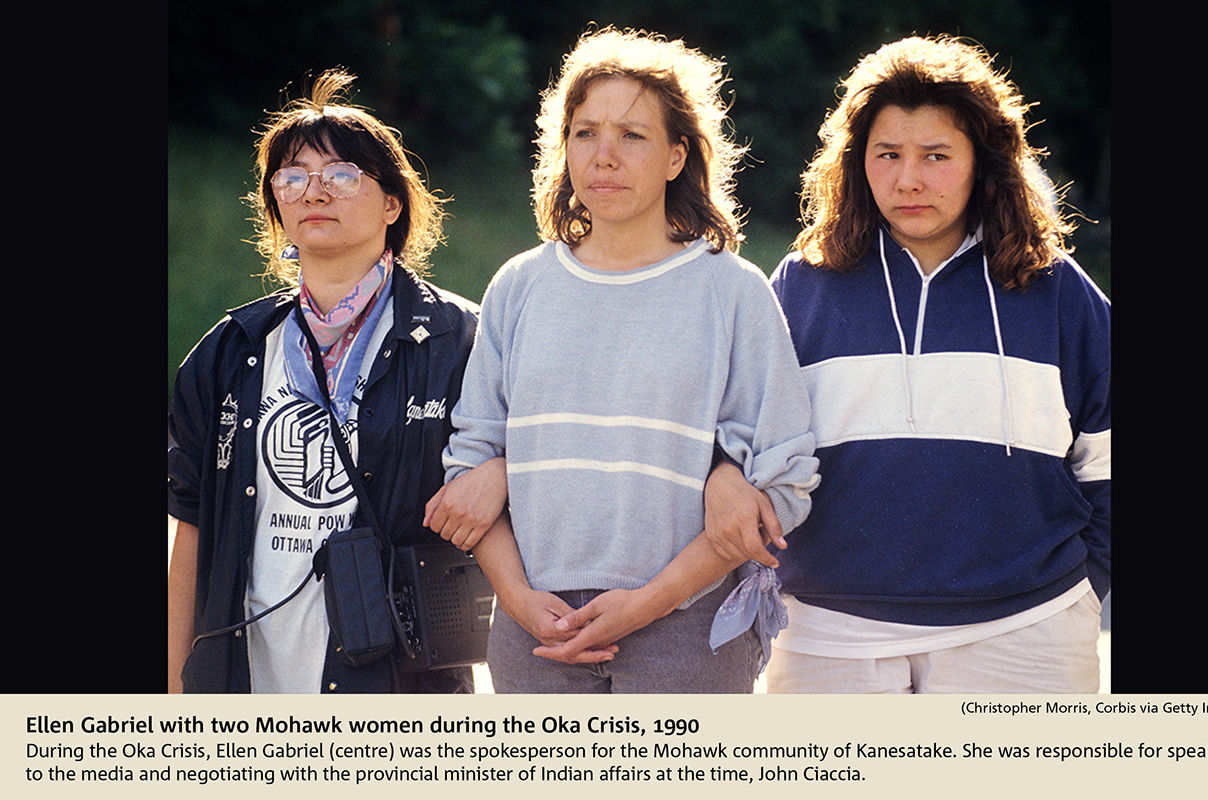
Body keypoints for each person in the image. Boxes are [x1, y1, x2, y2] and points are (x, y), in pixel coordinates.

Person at [426, 28, 819, 693]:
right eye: (584, 133)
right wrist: (520, 602)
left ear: (675, 156)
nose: (604, 156)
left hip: (686, 632)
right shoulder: (519, 286)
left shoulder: (733, 292)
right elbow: (470, 463)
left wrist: (651, 602)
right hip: (535, 634)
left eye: (632, 136)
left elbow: (784, 479)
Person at [744, 36, 1111, 693]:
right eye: (888, 155)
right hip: (829, 638)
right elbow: (748, 446)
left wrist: (1089, 586)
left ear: (983, 163)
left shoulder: (1055, 289)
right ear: (859, 164)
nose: (908, 179)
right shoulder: (802, 286)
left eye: (936, 156)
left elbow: (1111, 451)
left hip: (1027, 634)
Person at [167, 69, 479, 693]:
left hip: (395, 684)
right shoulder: (231, 351)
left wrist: (496, 470)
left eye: (341, 175)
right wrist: (174, 690)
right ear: (276, 205)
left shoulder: (458, 340)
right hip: (248, 674)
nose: (314, 191)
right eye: (292, 176)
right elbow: (191, 532)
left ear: (393, 203)